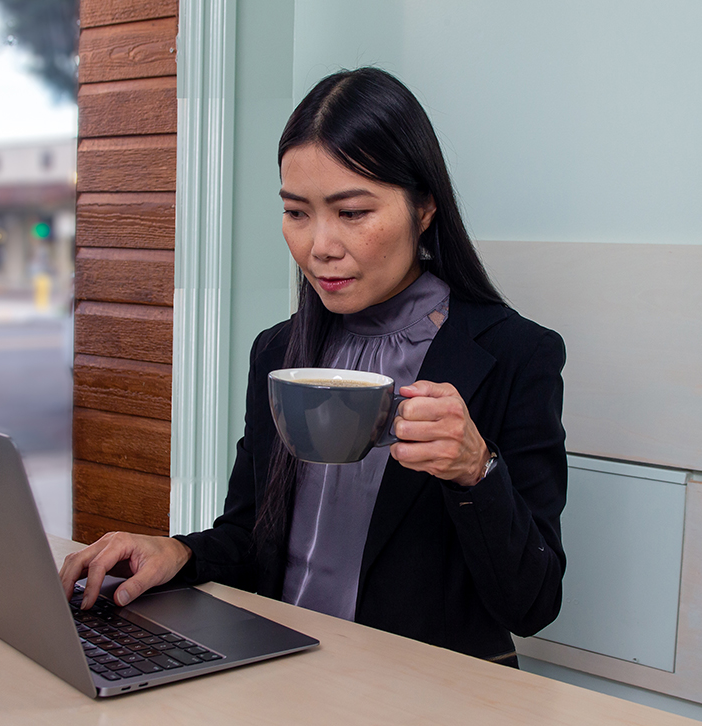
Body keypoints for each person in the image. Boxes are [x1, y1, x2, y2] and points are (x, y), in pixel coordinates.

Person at [61, 67, 567, 667]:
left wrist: (475, 472)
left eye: (351, 212)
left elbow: (533, 605)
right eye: (297, 212)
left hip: (417, 695)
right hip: (280, 670)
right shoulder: (279, 354)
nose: (319, 245)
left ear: (424, 207)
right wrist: (177, 552)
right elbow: (253, 540)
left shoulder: (513, 356)